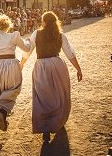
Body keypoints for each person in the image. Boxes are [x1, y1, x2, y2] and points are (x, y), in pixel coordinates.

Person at [19, 11, 82, 142]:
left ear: (44, 21)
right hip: (57, 64)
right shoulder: (60, 35)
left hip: (41, 66)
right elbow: (69, 53)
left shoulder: (37, 34)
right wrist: (78, 69)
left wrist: (21, 65)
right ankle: (58, 122)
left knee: (42, 97)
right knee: (60, 94)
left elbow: (28, 52)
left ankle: (46, 128)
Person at [0, 15, 30, 131]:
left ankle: (1, 111)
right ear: (7, 26)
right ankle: (3, 111)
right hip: (11, 66)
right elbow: (27, 49)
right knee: (13, 88)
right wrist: (28, 41)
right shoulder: (13, 36)